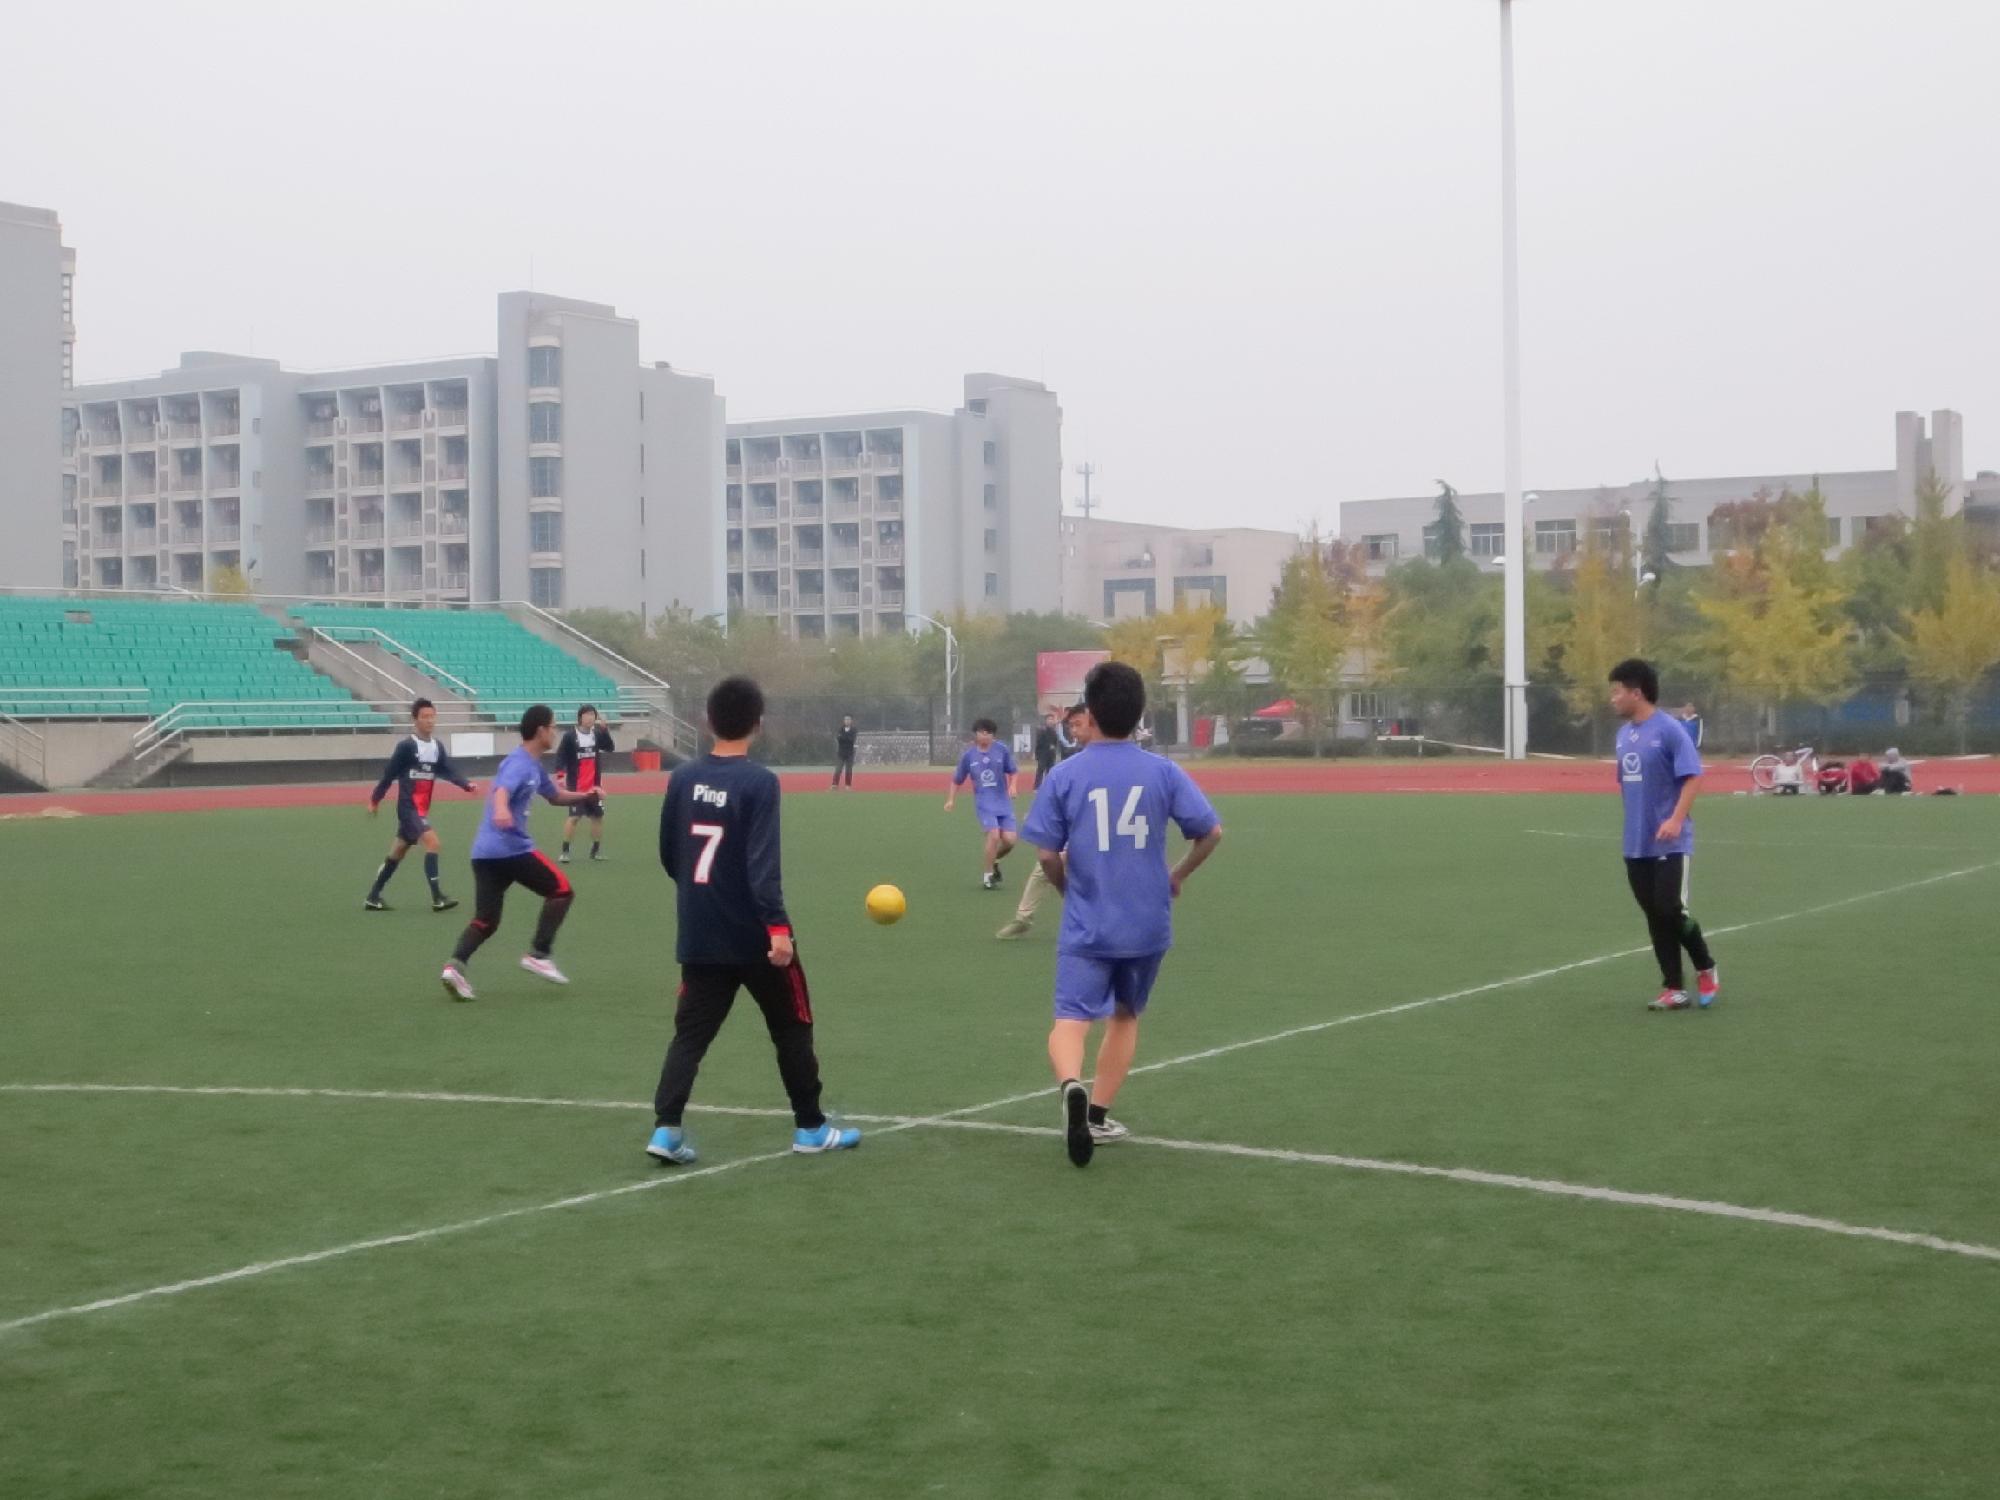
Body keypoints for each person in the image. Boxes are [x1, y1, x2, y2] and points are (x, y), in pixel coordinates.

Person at [647, 676, 860, 1164]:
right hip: (755, 936)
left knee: (690, 1035)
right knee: (792, 1026)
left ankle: (666, 1129)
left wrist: (700, 899)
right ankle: (810, 1127)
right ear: (758, 724)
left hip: (699, 931)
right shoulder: (759, 782)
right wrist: (778, 928)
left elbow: (669, 853)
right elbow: (762, 864)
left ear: (708, 720)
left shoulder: (682, 778)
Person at [1022, 662, 1224, 1167]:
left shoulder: (1065, 775)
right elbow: (1210, 833)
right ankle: (1097, 1114)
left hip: (1089, 922)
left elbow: (1046, 855)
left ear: (1089, 712)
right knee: (1126, 1015)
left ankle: (1071, 1085)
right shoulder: (1163, 771)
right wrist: (1176, 875)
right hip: (1146, 922)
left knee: (1071, 1019)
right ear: (1140, 715)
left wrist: (1067, 888)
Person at [439, 705, 602, 1001]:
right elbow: (501, 790)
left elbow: (555, 796)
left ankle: (454, 967)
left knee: (486, 920)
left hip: (484, 854)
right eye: (553, 726)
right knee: (561, 891)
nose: (555, 732)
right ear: (540, 731)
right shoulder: (519, 763)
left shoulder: (533, 766)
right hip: (510, 849)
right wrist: (501, 810)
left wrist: (585, 795)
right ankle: (539, 954)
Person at [1609, 658, 1719, 1012]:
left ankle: (1705, 966)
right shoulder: (1623, 736)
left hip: (1671, 841)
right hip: (1636, 843)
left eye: (1617, 691)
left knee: (1670, 909)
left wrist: (1675, 819)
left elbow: (1693, 776)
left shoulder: (1670, 729)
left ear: (1636, 693)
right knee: (1654, 915)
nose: (1612, 699)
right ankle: (1674, 988)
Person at [364, 697, 476, 913]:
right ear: (415, 720)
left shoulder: (436, 747)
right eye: (425, 717)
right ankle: (437, 898)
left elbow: (447, 770)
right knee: (433, 843)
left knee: (397, 852)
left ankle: (373, 896)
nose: (430, 720)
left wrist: (466, 784)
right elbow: (389, 775)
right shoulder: (406, 746)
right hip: (409, 809)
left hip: (421, 809)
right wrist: (375, 799)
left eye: (432, 716)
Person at [998, 704, 1092, 940]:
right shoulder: (1073, 757)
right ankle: (1023, 918)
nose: (1073, 731)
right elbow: (1057, 791)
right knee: (1044, 867)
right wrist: (1037, 812)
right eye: (1071, 726)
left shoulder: (1106, 760)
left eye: (1078, 724)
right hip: (1076, 831)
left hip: (1101, 834)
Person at [945, 717, 1020, 889]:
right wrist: (951, 800)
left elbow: (1013, 771)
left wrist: (1013, 786)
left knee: (1010, 841)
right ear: (976, 734)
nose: (984, 736)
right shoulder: (969, 756)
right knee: (994, 836)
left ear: (993, 735)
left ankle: (995, 860)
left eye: (988, 733)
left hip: (1003, 802)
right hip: (984, 802)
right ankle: (988, 876)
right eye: (981, 732)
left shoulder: (1002, 750)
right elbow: (957, 780)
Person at [556, 705, 614, 863]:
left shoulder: (597, 734)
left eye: (592, 715)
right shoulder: (570, 736)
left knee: (597, 817)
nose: (590, 718)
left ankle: (595, 851)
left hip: (594, 787)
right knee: (574, 817)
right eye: (587, 715)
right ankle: (565, 851)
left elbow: (610, 747)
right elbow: (561, 755)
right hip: (577, 787)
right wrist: (560, 775)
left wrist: (605, 730)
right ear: (580, 717)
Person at [1033, 707, 1064, 788]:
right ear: (1046, 721)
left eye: (1052, 719)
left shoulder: (1054, 732)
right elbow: (1039, 743)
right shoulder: (1042, 730)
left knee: (1050, 770)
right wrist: (1037, 754)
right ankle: (1037, 786)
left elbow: (1056, 742)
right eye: (1049, 719)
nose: (1050, 721)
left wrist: (1053, 747)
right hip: (1042, 754)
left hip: (1051, 755)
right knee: (1040, 769)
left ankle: (1048, 786)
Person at [832, 714, 857, 790]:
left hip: (850, 753)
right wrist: (846, 737)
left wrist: (843, 737)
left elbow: (851, 740)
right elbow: (839, 739)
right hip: (841, 753)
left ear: (851, 721)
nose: (847, 721)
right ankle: (835, 784)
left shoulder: (854, 730)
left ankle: (847, 785)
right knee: (838, 769)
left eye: (848, 719)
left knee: (848, 770)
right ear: (844, 721)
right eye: (846, 719)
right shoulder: (840, 729)